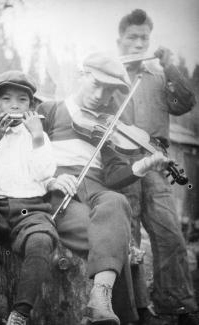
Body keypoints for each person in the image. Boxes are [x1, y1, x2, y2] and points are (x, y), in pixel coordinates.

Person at [37, 52, 174, 325]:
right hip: (63, 193)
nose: (101, 95)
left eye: (110, 90)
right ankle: (129, 315)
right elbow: (28, 156)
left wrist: (142, 166)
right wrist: (49, 180)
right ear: (81, 76)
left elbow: (113, 178)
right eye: (96, 84)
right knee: (114, 240)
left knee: (116, 200)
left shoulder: (108, 128)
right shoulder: (49, 110)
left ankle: (100, 301)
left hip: (98, 191)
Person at [109, 8, 198, 325]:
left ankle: (177, 306)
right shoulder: (110, 74)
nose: (138, 43)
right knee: (128, 238)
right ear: (120, 39)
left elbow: (184, 103)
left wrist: (170, 65)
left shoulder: (160, 75)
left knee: (170, 234)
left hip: (157, 161)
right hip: (121, 161)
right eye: (132, 37)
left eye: (143, 38)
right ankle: (137, 310)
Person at [0, 70, 58, 325]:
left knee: (41, 241)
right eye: (6, 99)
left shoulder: (37, 136)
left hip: (30, 211)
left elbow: (45, 173)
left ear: (31, 106)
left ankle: (19, 312)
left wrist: (38, 136)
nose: (14, 106)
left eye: (22, 100)